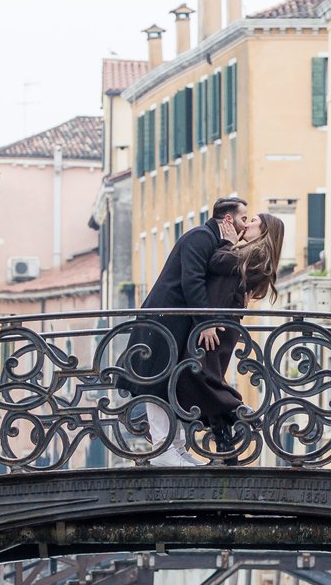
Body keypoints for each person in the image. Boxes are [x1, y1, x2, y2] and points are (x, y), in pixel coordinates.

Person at [120, 196, 248, 466]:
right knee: (153, 382)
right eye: (243, 219)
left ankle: (174, 447)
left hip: (174, 322)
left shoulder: (213, 242)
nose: (245, 226)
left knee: (170, 382)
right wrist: (206, 322)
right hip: (162, 319)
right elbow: (192, 281)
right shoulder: (199, 238)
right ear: (228, 219)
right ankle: (162, 450)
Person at [190, 212, 287, 456]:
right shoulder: (256, 255)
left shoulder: (256, 253)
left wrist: (227, 241)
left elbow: (216, 262)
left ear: (265, 230)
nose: (247, 224)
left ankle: (237, 410)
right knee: (207, 376)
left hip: (218, 327)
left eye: (254, 221)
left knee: (201, 375)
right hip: (222, 325)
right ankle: (224, 443)